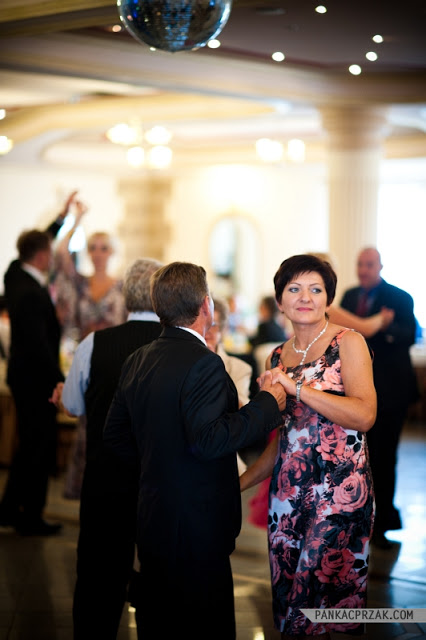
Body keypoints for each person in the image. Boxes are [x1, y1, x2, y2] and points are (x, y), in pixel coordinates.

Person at [103, 261, 286, 640]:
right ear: (206, 305)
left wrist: (158, 467)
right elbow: (210, 439)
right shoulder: (205, 363)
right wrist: (267, 404)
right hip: (197, 524)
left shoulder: (138, 359)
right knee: (205, 623)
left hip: (153, 513)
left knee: (158, 621)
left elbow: (114, 435)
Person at [240, 254, 377, 639]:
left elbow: (365, 415)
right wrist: (240, 482)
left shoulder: (348, 343)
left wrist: (296, 388)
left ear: (328, 298)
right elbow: (285, 439)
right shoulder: (276, 357)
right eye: (294, 289)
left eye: (315, 289)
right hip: (288, 499)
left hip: (340, 495)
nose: (305, 297)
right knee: (290, 601)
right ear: (280, 301)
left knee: (323, 601)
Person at [50, 257, 163, 640]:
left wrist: (64, 395)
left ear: (126, 297)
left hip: (105, 477)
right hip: (160, 483)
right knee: (161, 575)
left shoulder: (94, 343)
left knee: (99, 578)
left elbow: (74, 406)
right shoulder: (179, 346)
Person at [0, 207, 73, 534]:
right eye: (49, 252)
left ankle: (9, 510)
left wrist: (60, 219)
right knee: (39, 448)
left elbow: (36, 244)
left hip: (22, 376)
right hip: (35, 380)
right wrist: (60, 379)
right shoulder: (29, 292)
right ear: (42, 256)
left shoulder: (14, 274)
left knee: (29, 445)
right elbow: (37, 345)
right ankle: (30, 516)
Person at [340, 246, 418, 549]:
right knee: (357, 458)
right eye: (360, 264)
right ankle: (356, 518)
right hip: (355, 390)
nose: (363, 269)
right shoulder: (349, 296)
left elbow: (409, 335)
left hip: (390, 391)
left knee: (385, 458)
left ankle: (383, 522)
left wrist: (383, 328)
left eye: (369, 264)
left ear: (380, 266)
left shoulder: (400, 297)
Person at [53, 196, 127, 498]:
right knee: (86, 425)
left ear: (112, 252)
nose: (97, 253)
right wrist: (77, 219)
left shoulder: (122, 287)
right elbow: (60, 254)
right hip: (87, 361)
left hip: (116, 363)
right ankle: (85, 490)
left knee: (113, 424)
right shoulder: (80, 284)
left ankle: (112, 491)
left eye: (103, 247)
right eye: (93, 247)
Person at [205, 296, 253, 475]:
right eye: (203, 324)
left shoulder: (239, 368)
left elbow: (241, 414)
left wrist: (213, 365)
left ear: (223, 329)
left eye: (213, 325)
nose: (206, 331)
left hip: (224, 454)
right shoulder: (180, 363)